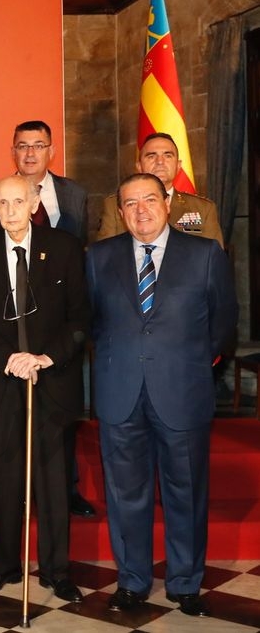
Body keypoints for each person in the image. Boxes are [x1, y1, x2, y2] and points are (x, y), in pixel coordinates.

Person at [87, 173, 236, 618]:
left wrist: (190, 362)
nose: (141, 211)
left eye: (149, 200)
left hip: (183, 392)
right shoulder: (98, 257)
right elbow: (92, 322)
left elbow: (224, 322)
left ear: (167, 201)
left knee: (185, 492)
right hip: (120, 393)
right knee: (125, 494)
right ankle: (132, 581)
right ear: (120, 211)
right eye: (130, 204)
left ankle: (185, 582)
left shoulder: (205, 254)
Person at [0, 175, 89, 604]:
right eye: (2, 203)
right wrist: (7, 358)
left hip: (50, 380)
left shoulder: (65, 248)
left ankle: (56, 570)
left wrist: (46, 357)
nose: (11, 210)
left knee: (52, 482)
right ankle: (4, 566)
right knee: (1, 480)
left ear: (35, 201)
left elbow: (80, 316)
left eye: (19, 200)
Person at [0, 120, 95, 519]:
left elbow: (79, 306)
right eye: (22, 146)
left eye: (38, 145)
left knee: (56, 462)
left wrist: (47, 354)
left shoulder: (74, 197)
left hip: (54, 349)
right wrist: (9, 356)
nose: (30, 153)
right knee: (5, 465)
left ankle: (59, 553)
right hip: (5, 358)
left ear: (51, 150)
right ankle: (5, 556)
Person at [96, 133, 223, 246]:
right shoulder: (114, 206)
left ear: (178, 166)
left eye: (168, 156)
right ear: (139, 166)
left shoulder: (203, 209)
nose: (160, 162)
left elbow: (213, 262)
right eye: (151, 156)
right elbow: (105, 258)